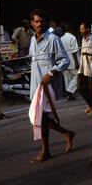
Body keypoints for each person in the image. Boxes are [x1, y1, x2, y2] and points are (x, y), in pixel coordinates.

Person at [27, 9, 75, 163]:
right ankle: (67, 133)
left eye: (41, 21)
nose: (39, 24)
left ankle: (45, 151)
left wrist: (52, 72)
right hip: (35, 84)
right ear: (32, 24)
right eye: (36, 21)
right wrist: (17, 57)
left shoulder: (53, 38)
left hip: (47, 85)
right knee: (41, 117)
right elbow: (31, 58)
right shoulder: (33, 40)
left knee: (39, 117)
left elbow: (64, 60)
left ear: (46, 23)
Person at [78, 22, 92, 115]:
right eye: (80, 29)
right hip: (83, 68)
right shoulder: (83, 39)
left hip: (91, 68)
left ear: (88, 29)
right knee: (80, 88)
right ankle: (91, 105)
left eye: (82, 29)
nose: (81, 31)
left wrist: (89, 54)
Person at [61, 25, 80, 100]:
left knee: (67, 79)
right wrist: (76, 62)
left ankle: (70, 95)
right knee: (77, 77)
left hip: (65, 62)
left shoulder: (61, 38)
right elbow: (74, 51)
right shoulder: (72, 37)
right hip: (72, 61)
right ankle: (69, 91)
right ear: (71, 30)